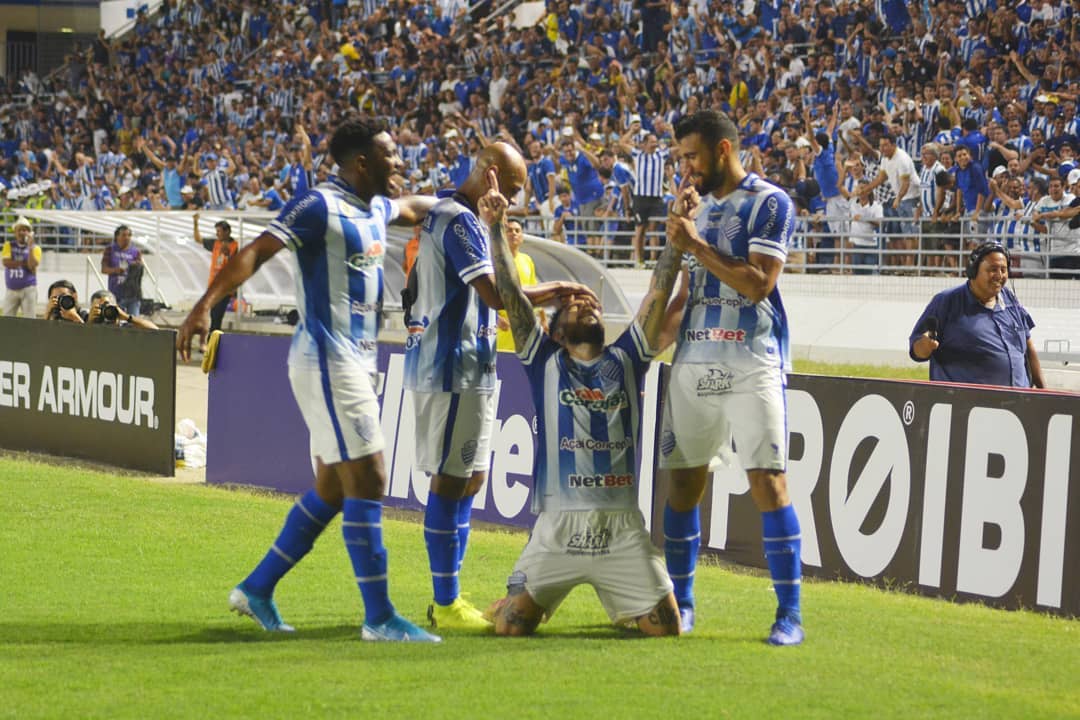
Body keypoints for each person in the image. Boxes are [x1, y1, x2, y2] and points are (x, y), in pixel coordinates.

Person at [176, 116, 442, 643]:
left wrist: (469, 200)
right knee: (370, 478)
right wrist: (204, 306)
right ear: (361, 162)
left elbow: (418, 206)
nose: (400, 162)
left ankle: (256, 589)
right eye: (391, 154)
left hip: (357, 362)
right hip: (327, 359)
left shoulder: (376, 208)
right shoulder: (319, 205)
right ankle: (381, 617)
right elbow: (254, 253)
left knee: (333, 488)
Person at [481, 166, 685, 637]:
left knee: (667, 630)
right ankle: (511, 602)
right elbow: (510, 294)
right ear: (553, 330)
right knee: (510, 630)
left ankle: (619, 598)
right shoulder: (543, 360)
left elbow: (657, 291)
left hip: (621, 527)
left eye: (590, 305)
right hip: (558, 526)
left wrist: (674, 236)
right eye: (572, 307)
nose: (585, 305)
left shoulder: (629, 357)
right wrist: (494, 228)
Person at [403, 142, 590, 631]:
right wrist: (558, 291)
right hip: (450, 365)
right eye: (508, 186)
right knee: (450, 478)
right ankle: (445, 603)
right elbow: (493, 291)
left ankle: (450, 599)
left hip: (476, 364)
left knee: (472, 478)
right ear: (488, 174)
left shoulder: (466, 219)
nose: (511, 197)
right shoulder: (457, 219)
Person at [661, 110, 804, 646]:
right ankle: (685, 603)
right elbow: (683, 297)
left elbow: (760, 283)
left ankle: (789, 615)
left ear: (723, 150)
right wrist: (638, 347)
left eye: (692, 156)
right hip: (693, 361)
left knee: (767, 482)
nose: (686, 167)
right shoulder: (694, 208)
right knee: (682, 486)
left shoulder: (770, 202)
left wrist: (693, 242)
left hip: (751, 359)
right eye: (680, 158)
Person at [909, 242, 1046, 388]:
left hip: (1018, 404)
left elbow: (1028, 347)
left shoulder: (1010, 298)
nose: (999, 275)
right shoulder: (947, 301)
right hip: (969, 406)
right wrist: (926, 346)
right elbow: (916, 350)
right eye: (993, 269)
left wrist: (1043, 391)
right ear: (973, 271)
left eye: (1004, 270)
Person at [494, 218, 543, 352]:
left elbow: (534, 290)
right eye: (509, 230)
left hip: (524, 328)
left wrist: (542, 320)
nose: (513, 233)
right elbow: (481, 294)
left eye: (517, 231)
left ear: (522, 237)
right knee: (501, 368)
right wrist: (495, 318)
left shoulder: (527, 260)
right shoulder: (494, 261)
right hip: (502, 327)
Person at [193, 214, 240, 335]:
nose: (217, 234)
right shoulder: (215, 243)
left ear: (227, 231)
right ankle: (213, 341)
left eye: (219, 231)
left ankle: (213, 342)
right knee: (214, 315)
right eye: (216, 231)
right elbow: (198, 239)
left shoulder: (235, 246)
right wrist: (195, 223)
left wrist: (228, 254)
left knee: (217, 315)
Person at [2, 216, 41, 317]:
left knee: (30, 320)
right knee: (7, 319)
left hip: (28, 289)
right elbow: (6, 263)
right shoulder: (8, 245)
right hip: (11, 289)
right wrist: (24, 263)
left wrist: (30, 247)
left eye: (25, 230)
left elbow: (32, 265)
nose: (22, 233)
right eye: (19, 230)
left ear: (29, 233)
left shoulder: (35, 248)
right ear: (15, 232)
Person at [101, 224, 142, 318]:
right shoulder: (110, 250)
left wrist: (132, 267)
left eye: (129, 235)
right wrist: (116, 270)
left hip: (132, 293)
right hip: (116, 293)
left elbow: (140, 268)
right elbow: (104, 269)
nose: (126, 238)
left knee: (134, 320)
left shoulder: (136, 252)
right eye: (123, 235)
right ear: (117, 236)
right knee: (116, 319)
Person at [87, 289, 159, 329]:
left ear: (116, 307)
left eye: (107, 307)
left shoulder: (125, 328)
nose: (104, 311)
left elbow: (156, 331)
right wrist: (89, 323)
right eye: (99, 308)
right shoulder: (88, 327)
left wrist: (127, 317)